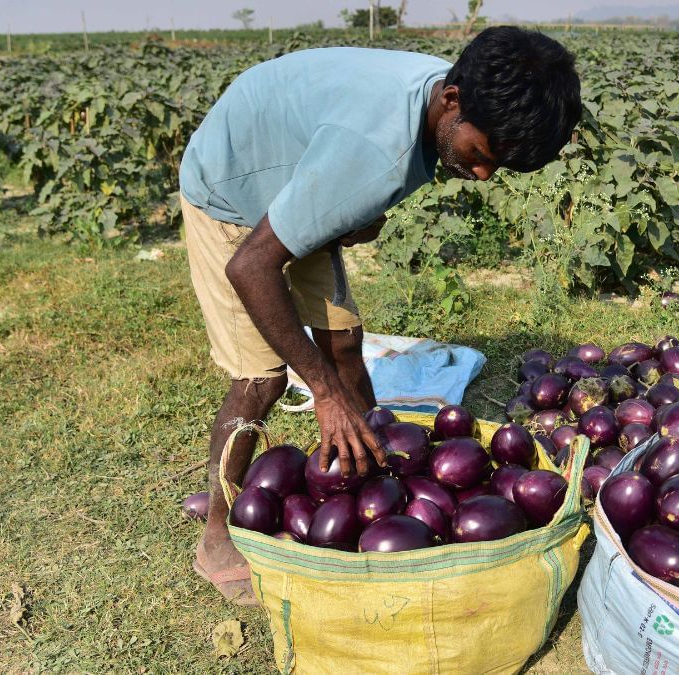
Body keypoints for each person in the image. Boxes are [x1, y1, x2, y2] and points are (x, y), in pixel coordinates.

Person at [177, 26, 581, 605]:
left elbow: (350, 182)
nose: (485, 175)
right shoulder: (374, 150)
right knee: (260, 377)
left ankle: (372, 462)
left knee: (344, 339)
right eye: (481, 156)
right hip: (232, 193)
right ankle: (217, 537)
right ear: (452, 100)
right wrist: (323, 391)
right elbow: (251, 268)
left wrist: (354, 212)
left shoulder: (458, 91)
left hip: (299, 173)